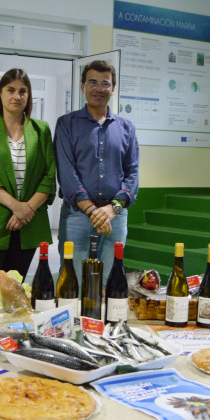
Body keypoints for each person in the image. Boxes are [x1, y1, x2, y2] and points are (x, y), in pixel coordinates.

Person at [0, 68, 56, 288]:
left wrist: (27, 210)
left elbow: (49, 175)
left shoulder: (41, 129)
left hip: (28, 224)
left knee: (14, 293)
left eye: (23, 91)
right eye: (11, 90)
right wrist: (16, 206)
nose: (17, 96)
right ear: (0, 94)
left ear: (29, 96)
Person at [54, 59, 139, 279]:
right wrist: (93, 212)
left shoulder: (126, 128)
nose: (98, 89)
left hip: (115, 217)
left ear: (113, 88)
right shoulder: (66, 124)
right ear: (83, 87)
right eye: (92, 82)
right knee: (75, 283)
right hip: (77, 216)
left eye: (105, 83)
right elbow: (66, 172)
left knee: (109, 282)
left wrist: (112, 209)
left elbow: (133, 174)